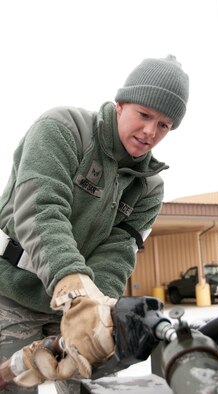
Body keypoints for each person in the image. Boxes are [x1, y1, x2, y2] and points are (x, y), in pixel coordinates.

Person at [0, 55, 189, 394]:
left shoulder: (149, 187)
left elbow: (117, 254)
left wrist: (96, 311)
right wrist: (75, 294)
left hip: (82, 308)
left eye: (164, 125)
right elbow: (41, 212)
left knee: (93, 389)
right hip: (11, 293)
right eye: (144, 115)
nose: (150, 132)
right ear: (120, 104)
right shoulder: (62, 129)